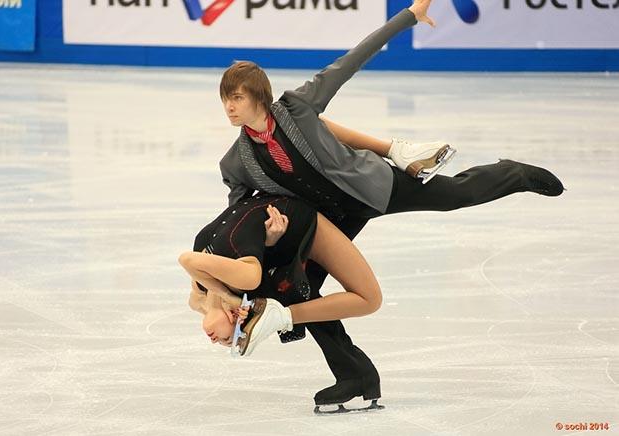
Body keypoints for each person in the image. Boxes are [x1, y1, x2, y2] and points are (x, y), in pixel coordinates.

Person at [216, 0, 564, 409]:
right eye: (225, 99)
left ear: (259, 96)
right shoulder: (236, 161)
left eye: (236, 97)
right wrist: (269, 238)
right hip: (330, 220)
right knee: (299, 290)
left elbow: (352, 59)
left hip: (374, 186)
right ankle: (355, 377)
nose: (229, 106)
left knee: (455, 196)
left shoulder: (298, 106)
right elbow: (241, 218)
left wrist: (409, 16)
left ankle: (513, 173)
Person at [179, 194, 384, 407]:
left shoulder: (219, 286)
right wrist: (267, 243)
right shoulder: (215, 284)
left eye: (229, 339)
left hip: (299, 215)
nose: (218, 341)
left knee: (368, 299)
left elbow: (187, 261)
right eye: (230, 340)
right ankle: (357, 376)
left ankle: (356, 375)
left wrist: (227, 298)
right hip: (291, 224)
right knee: (306, 298)